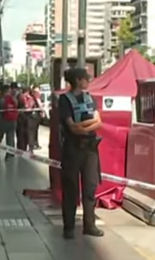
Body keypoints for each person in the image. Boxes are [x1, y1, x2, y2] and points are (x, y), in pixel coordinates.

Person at [58, 68, 104, 239]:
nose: (88, 81)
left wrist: (84, 127)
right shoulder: (64, 100)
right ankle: (68, 227)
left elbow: (98, 122)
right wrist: (87, 126)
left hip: (91, 148)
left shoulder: (90, 98)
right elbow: (72, 127)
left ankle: (89, 225)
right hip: (72, 148)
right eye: (86, 78)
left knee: (90, 186)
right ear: (78, 80)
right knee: (71, 188)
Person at [0, 84, 17, 162]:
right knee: (10, 138)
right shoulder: (13, 99)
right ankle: (10, 155)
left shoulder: (0, 99)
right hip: (12, 121)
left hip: (2, 121)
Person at [31, 85, 43, 150]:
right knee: (34, 131)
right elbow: (39, 104)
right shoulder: (36, 96)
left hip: (34, 115)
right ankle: (34, 144)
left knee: (34, 131)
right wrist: (42, 110)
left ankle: (34, 143)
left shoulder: (33, 96)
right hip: (35, 115)